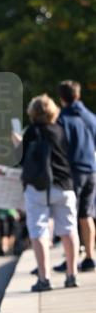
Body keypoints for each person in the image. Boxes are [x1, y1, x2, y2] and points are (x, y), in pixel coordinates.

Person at [22, 94, 79, 291]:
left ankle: (44, 278)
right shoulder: (60, 130)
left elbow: (22, 160)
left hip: (37, 187)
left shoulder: (30, 132)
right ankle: (71, 274)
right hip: (63, 184)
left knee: (39, 231)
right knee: (69, 229)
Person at [57, 80, 96, 272]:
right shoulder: (90, 117)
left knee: (70, 216)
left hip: (73, 172)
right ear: (78, 95)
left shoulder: (62, 119)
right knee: (86, 214)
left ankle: (71, 258)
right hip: (92, 170)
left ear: (61, 98)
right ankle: (90, 256)